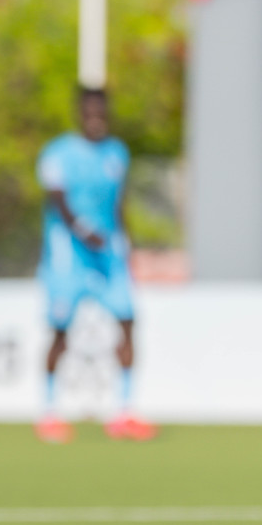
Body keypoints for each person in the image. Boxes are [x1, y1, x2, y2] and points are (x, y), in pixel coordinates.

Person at [33, 87, 155, 443]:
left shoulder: (117, 153)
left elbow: (119, 205)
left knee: (129, 320)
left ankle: (125, 411)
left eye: (101, 111)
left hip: (108, 255)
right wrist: (86, 232)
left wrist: (128, 247)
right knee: (60, 331)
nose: (96, 117)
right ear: (80, 113)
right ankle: (49, 412)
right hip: (68, 257)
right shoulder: (58, 153)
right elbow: (57, 201)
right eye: (90, 111)